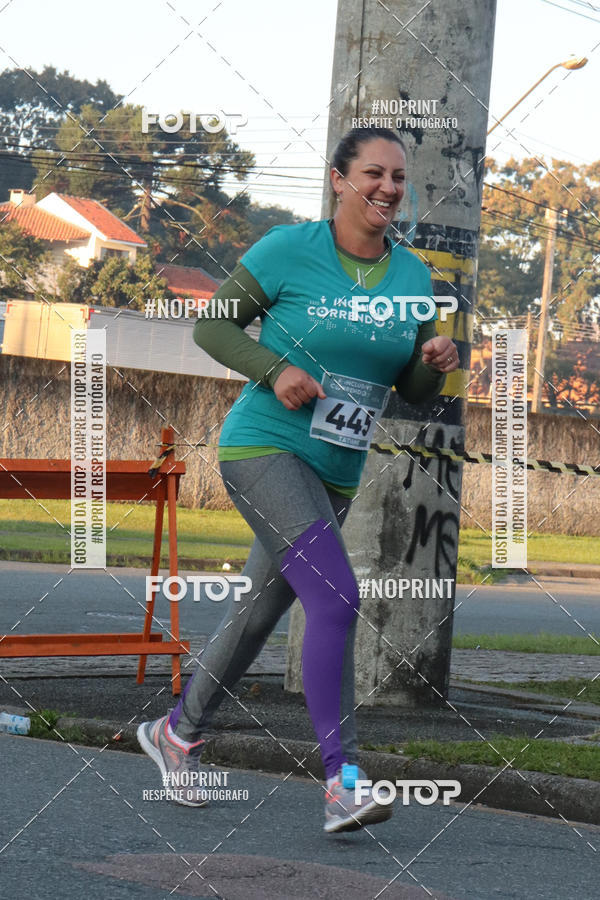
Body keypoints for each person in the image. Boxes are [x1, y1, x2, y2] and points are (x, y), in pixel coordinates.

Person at [137, 126, 459, 833]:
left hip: (335, 473)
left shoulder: (411, 278)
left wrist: (436, 357)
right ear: (340, 180)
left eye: (399, 178)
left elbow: (409, 389)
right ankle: (342, 782)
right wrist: (274, 369)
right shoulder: (289, 249)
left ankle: (177, 734)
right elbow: (213, 328)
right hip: (264, 448)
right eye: (374, 173)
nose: (389, 188)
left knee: (255, 614)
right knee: (338, 599)